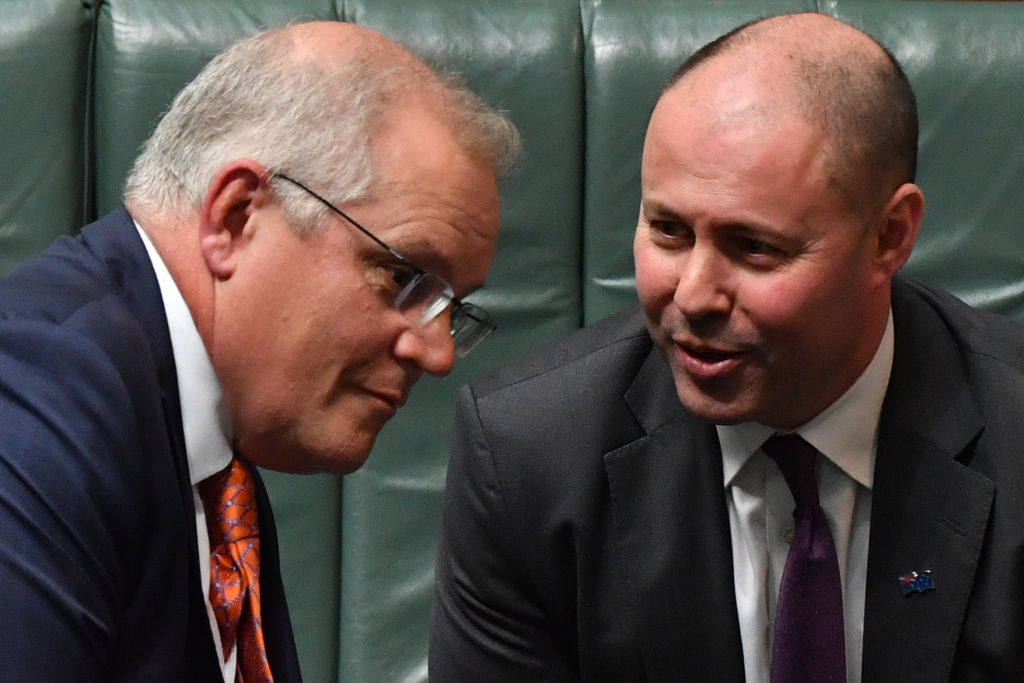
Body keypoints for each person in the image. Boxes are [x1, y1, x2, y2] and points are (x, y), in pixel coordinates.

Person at [430, 12, 1024, 682]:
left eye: (754, 247)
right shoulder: (528, 459)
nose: (694, 295)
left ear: (889, 235)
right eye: (669, 230)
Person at [0, 20, 519, 682]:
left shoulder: (212, 442)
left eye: (453, 305)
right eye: (405, 277)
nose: (439, 352)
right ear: (237, 217)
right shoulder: (37, 402)